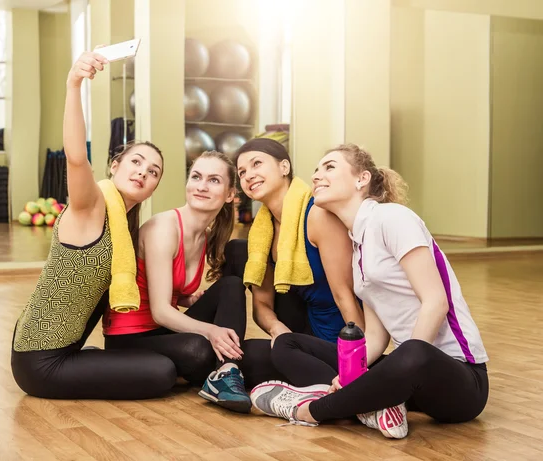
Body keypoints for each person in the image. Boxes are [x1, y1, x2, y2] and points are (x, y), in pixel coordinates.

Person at [250, 143, 489, 439]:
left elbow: (436, 302)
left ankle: (308, 410)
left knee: (413, 352)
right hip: (410, 374)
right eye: (315, 170)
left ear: (361, 179)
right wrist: (347, 376)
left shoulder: (393, 218)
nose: (316, 176)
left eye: (330, 167)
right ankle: (375, 406)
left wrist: (399, 374)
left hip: (462, 379)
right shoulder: (359, 246)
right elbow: (376, 337)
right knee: (288, 344)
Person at [11, 50, 178, 399]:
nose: (143, 172)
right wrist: (74, 83)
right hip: (41, 362)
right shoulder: (91, 207)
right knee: (162, 372)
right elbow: (75, 156)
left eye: (153, 171)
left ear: (154, 187)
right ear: (114, 166)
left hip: (63, 349)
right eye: (136, 161)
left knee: (165, 363)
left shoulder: (126, 229)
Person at [104, 150, 251, 413]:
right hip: (130, 338)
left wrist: (187, 298)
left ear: (230, 194)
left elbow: (156, 287)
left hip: (163, 334)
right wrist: (211, 331)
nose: (202, 186)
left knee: (230, 286)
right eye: (196, 177)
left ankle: (227, 371)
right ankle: (222, 370)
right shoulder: (164, 228)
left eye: (214, 180)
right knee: (201, 349)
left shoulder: (205, 237)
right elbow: (160, 312)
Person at [231, 138, 364, 388]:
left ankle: (350, 389)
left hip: (338, 338)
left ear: (284, 167)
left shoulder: (317, 214)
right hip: (298, 337)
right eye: (242, 172)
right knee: (242, 356)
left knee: (280, 353)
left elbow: (346, 294)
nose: (249, 175)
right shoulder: (263, 232)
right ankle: (319, 384)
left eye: (256, 164)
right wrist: (278, 330)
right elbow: (261, 304)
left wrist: (358, 359)